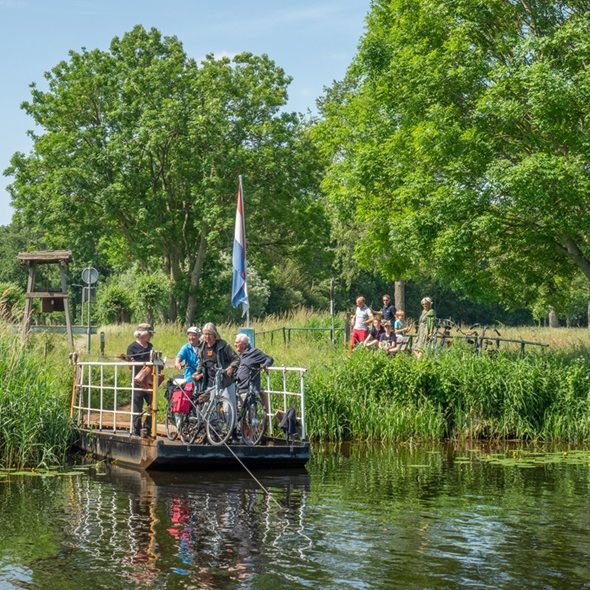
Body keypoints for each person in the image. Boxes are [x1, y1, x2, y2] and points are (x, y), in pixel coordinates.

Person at [195, 322, 239, 409]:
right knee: (210, 410)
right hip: (211, 382)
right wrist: (198, 372)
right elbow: (201, 362)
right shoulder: (202, 347)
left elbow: (236, 358)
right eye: (205, 334)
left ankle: (231, 422)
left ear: (214, 334)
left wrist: (231, 367)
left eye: (209, 334)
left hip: (225, 381)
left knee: (228, 409)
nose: (207, 336)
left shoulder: (223, 345)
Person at [234, 333, 273, 414]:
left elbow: (269, 359)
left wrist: (265, 366)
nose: (235, 344)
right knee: (240, 418)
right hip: (238, 389)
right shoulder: (239, 356)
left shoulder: (254, 353)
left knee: (250, 417)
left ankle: (255, 426)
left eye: (237, 342)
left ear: (244, 344)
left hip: (249, 390)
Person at [127, 323, 154, 437]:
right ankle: (136, 430)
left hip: (149, 381)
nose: (151, 336)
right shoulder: (131, 347)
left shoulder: (150, 346)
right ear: (142, 334)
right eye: (149, 334)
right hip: (137, 381)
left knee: (152, 405)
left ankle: (147, 428)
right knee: (137, 405)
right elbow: (129, 364)